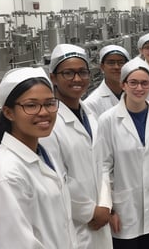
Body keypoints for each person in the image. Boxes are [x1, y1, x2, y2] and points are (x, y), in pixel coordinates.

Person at [0, 67, 78, 248]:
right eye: (31, 105)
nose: (44, 112)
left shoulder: (43, 152)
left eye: (49, 103)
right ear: (8, 112)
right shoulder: (5, 175)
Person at [97, 59, 149, 249]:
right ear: (123, 84)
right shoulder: (108, 120)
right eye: (133, 82)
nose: (139, 88)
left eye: (144, 83)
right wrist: (109, 209)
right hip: (124, 208)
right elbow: (103, 168)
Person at [40, 44, 113, 249]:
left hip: (101, 214)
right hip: (74, 223)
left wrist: (105, 204)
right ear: (53, 78)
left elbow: (102, 164)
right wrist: (90, 212)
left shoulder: (89, 113)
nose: (77, 79)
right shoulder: (48, 123)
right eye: (68, 73)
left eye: (82, 72)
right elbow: (55, 179)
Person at [84, 45, 131, 119]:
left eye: (121, 62)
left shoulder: (137, 92)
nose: (116, 67)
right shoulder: (91, 103)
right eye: (111, 63)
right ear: (102, 67)